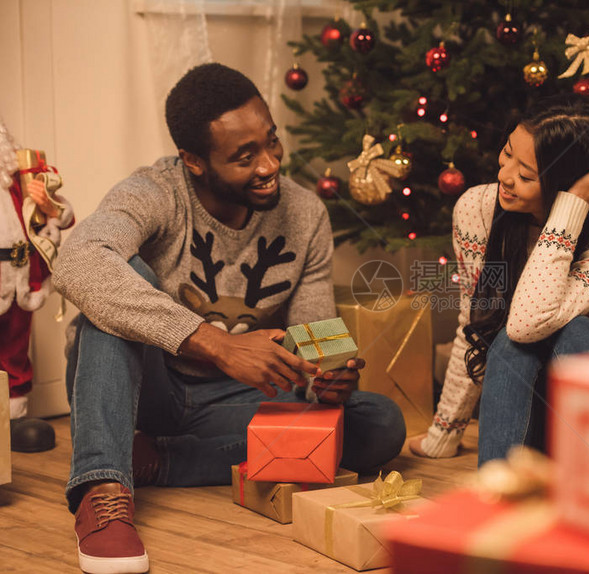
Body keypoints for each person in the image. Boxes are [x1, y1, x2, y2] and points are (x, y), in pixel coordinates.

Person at [53, 63, 406, 574]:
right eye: (245, 156)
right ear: (193, 160)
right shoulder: (156, 192)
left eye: (271, 142)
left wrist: (326, 378)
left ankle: (159, 460)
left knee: (378, 424)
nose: (269, 165)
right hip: (139, 385)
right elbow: (79, 258)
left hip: (235, 398)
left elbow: (313, 332)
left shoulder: (306, 214)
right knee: (116, 273)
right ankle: (103, 486)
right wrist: (214, 342)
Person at [409, 94, 589, 464]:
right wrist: (445, 432)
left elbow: (528, 321)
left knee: (577, 331)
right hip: (521, 417)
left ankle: (587, 498)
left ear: (567, 184)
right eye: (507, 153)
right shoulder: (478, 210)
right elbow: (476, 322)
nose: (504, 176)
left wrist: (574, 203)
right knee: (508, 342)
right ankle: (501, 494)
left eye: (526, 175)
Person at [1, 117, 74, 453]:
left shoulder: (19, 176)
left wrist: (46, 203)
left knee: (15, 347)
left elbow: (62, 217)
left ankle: (12, 419)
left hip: (18, 273)